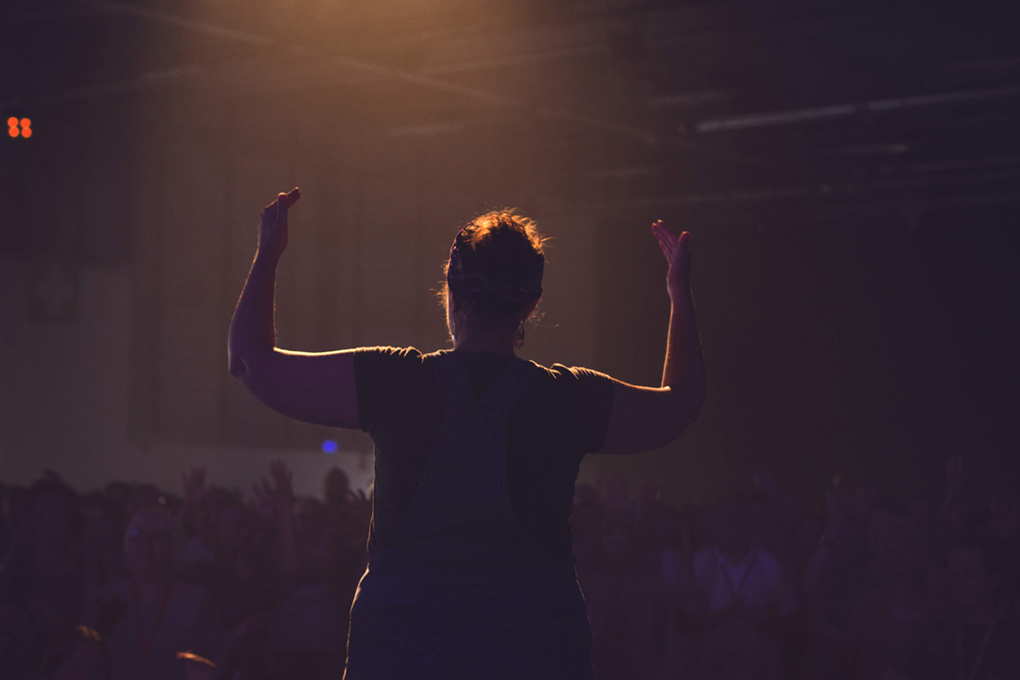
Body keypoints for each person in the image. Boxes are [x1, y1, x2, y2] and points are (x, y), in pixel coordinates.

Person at [227, 189, 705, 679]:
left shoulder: (397, 382)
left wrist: (269, 252)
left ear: (450, 289)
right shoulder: (566, 399)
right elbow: (680, 405)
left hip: (402, 651)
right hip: (535, 648)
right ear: (530, 305)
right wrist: (678, 292)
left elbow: (249, 361)